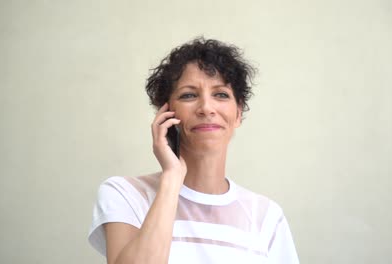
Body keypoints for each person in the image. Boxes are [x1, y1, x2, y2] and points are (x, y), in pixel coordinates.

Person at [88, 37, 300, 264]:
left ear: (238, 114)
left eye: (221, 94)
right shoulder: (126, 194)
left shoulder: (266, 216)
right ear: (166, 113)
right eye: (189, 95)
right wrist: (171, 178)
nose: (206, 108)